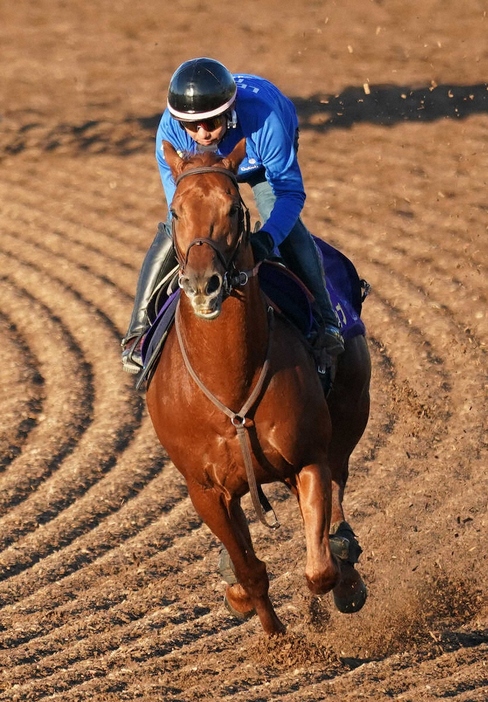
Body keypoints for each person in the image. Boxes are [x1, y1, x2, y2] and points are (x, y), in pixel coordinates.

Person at [121, 57, 344, 374]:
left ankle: (327, 321)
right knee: (175, 230)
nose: (202, 134)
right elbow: (179, 209)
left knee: (275, 212)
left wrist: (267, 239)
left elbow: (291, 193)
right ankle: (137, 332)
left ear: (228, 113)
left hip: (261, 165)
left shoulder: (266, 120)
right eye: (192, 127)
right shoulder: (170, 132)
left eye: (210, 124)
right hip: (203, 170)